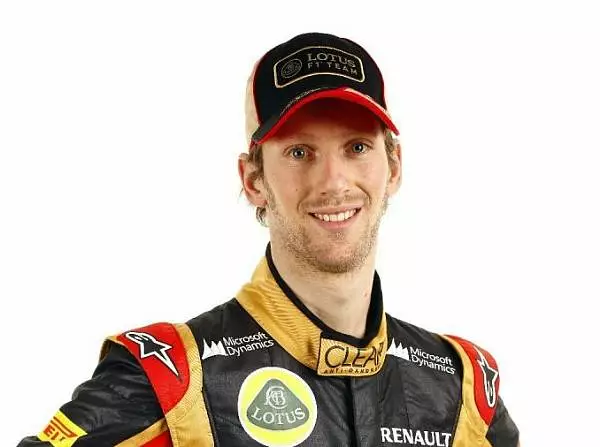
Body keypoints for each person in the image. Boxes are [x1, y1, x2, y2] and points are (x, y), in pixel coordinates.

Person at [17, 32, 519, 447]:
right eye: (300, 152)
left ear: (394, 167)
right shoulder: (169, 379)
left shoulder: (463, 389)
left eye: (357, 147)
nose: (334, 182)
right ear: (253, 180)